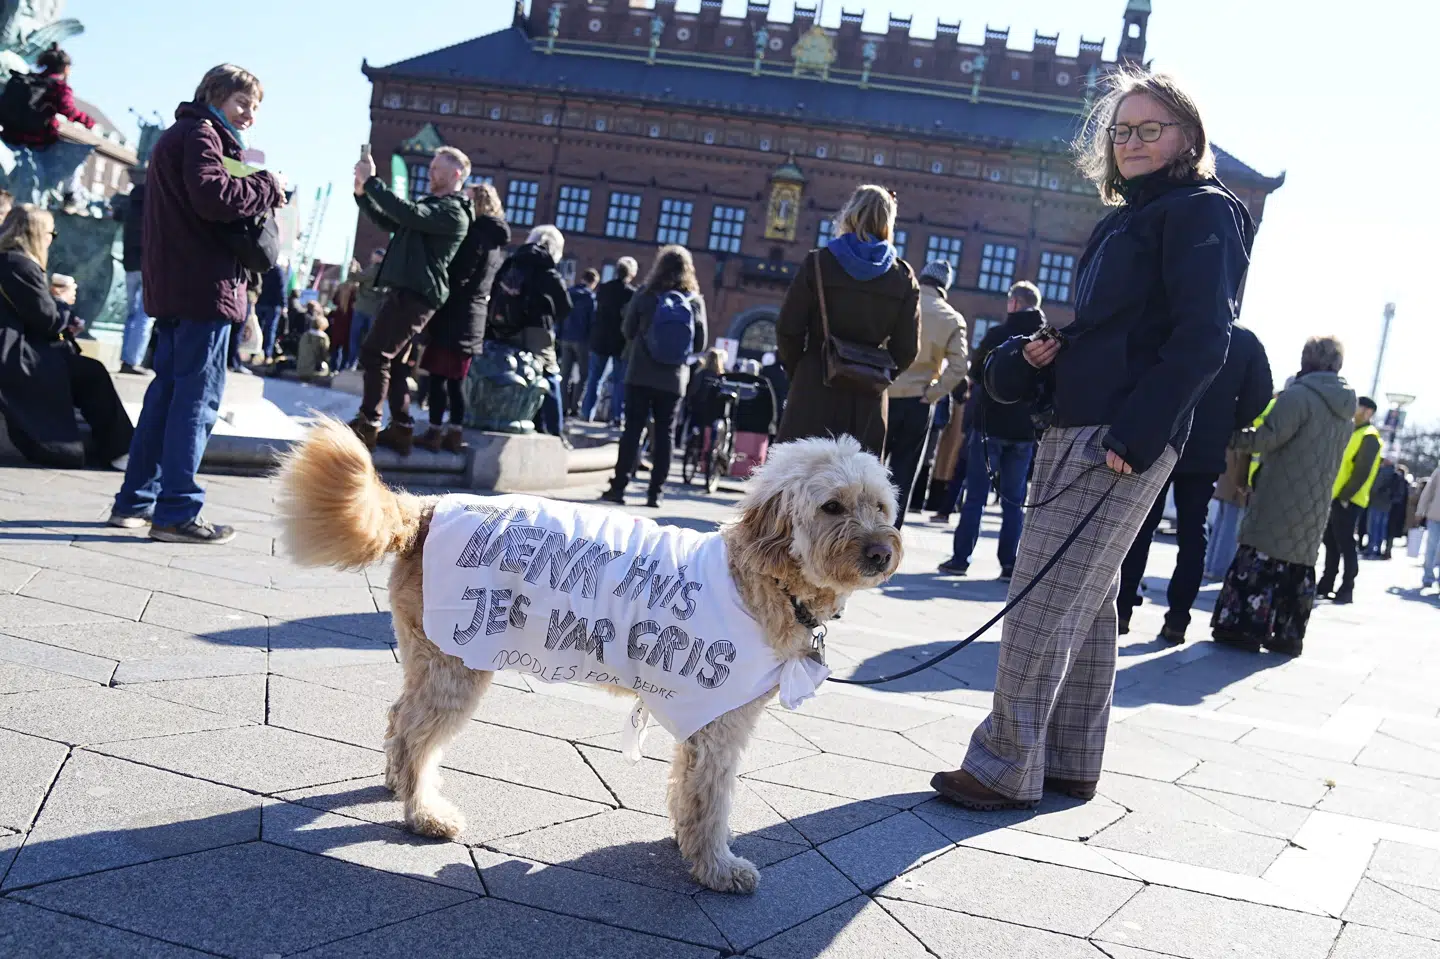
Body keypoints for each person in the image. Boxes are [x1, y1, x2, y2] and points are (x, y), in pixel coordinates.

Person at [931, 68, 1253, 811]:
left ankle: (1004, 762)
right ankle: (1071, 760)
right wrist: (1048, 356)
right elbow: (1124, 334)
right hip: (1084, 424)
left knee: (1040, 597)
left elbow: (1204, 338)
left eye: (1149, 129)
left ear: (1189, 139)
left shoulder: (1203, 210)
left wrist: (1136, 435)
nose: (1132, 142)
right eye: (1121, 130)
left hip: (1114, 436)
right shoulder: (1134, 216)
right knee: (1088, 602)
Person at [109, 64, 286, 544]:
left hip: (177, 287)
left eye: (254, 106)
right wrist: (269, 184)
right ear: (215, 95)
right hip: (204, 289)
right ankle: (177, 511)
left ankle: (134, 502)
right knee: (196, 402)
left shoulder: (181, 134)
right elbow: (213, 197)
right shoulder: (204, 136)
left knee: (165, 397)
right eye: (242, 102)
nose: (249, 113)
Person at [1115, 321, 1272, 640]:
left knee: (1141, 524)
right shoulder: (1245, 342)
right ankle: (1178, 618)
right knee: (1193, 532)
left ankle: (1122, 610)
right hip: (1206, 445)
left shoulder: (1180, 320)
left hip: (1162, 434)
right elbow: (1259, 396)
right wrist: (1231, 420)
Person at [1210, 337, 1356, 655]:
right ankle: (1288, 635)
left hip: (1280, 496)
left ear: (1308, 359)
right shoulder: (1346, 409)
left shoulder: (1299, 396)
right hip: (1316, 504)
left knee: (1262, 556)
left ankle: (1244, 629)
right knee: (1298, 563)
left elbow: (1266, 439)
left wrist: (1229, 434)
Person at [774, 184, 921, 457]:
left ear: (850, 214)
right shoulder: (902, 277)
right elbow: (907, 349)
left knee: (797, 482)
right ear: (888, 222)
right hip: (867, 399)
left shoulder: (819, 263)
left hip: (814, 387)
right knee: (856, 489)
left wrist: (803, 370)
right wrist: (876, 374)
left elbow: (788, 329)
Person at [347, 145, 473, 454]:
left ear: (456, 174)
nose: (430, 173)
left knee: (375, 354)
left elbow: (409, 214)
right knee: (397, 363)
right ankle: (401, 428)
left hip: (415, 295)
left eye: (436, 169)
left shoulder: (453, 212)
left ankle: (368, 424)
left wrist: (374, 182)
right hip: (411, 293)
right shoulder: (436, 208)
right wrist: (363, 194)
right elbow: (395, 222)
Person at [0, 205, 132, 467]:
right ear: (36, 234)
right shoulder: (21, 265)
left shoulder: (8, 261)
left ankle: (118, 448)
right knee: (92, 374)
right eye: (52, 233)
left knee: (85, 372)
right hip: (17, 356)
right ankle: (121, 451)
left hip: (16, 348)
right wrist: (62, 302)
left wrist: (63, 319)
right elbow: (47, 321)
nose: (52, 239)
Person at [939, 281, 1046, 578]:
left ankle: (961, 559)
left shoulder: (997, 336)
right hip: (1025, 433)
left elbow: (975, 373)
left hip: (991, 428)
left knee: (975, 497)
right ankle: (1010, 564)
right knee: (1014, 502)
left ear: (1014, 303)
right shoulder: (1047, 341)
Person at [600, 244, 708, 507]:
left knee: (632, 430)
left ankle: (619, 487)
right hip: (673, 379)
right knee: (665, 434)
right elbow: (700, 344)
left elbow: (627, 330)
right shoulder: (694, 301)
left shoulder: (646, 294)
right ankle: (654, 493)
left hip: (640, 373)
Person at [416, 182, 510, 454]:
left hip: (455, 315)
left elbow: (459, 276)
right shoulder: (495, 240)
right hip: (473, 318)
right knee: (456, 381)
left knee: (437, 379)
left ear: (478, 204)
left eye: (468, 201)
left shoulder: (475, 236)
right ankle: (454, 433)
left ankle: (435, 431)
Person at [883, 259, 967, 528]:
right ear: (946, 286)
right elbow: (959, 367)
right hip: (918, 401)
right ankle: (890, 535)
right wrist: (933, 393)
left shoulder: (899, 301)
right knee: (904, 473)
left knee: (868, 466)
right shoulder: (952, 318)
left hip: (883, 393)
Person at [485, 224, 571, 439]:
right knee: (549, 375)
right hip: (536, 331)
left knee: (510, 375)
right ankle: (554, 432)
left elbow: (494, 289)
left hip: (504, 327)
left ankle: (505, 419)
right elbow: (565, 306)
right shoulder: (547, 270)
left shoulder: (512, 261)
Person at [0, 45, 96, 207]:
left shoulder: (25, 80)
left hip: (10, 136)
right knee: (74, 159)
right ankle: (70, 196)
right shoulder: (58, 87)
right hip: (41, 141)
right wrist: (88, 121)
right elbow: (68, 110)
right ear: (65, 68)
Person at [1316, 396, 1382, 604]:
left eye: (1359, 407)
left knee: (1345, 544)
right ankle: (1326, 583)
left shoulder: (1369, 436)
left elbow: (1361, 472)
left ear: (1368, 412)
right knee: (1331, 542)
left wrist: (1344, 496)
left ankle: (1347, 587)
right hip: (1336, 496)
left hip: (1349, 499)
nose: (1354, 409)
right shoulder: (1352, 431)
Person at [583, 256, 638, 424]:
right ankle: (616, 416)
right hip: (619, 342)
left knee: (594, 378)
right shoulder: (631, 294)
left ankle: (587, 412)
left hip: (599, 339)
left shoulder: (604, 289)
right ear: (631, 274)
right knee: (619, 381)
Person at [112, 174, 151, 374]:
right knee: (145, 315)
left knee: (130, 314)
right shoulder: (155, 205)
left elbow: (116, 216)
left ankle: (125, 359)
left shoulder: (130, 203)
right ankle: (133, 359)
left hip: (130, 263)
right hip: (149, 264)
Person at [560, 269, 598, 416]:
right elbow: (592, 321)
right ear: (593, 282)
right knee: (583, 375)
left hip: (566, 337)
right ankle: (575, 406)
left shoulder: (569, 292)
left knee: (565, 374)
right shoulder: (590, 298)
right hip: (582, 340)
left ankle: (563, 406)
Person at [349, 247, 385, 367]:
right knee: (370, 339)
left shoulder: (374, 269)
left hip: (363, 308)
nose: (371, 257)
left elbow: (357, 277)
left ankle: (352, 364)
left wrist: (353, 269)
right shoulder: (386, 272)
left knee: (355, 338)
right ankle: (366, 365)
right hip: (375, 310)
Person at [256, 260, 288, 362]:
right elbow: (282, 289)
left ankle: (255, 353)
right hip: (273, 305)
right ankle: (267, 355)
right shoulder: (278, 271)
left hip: (260, 301)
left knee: (258, 329)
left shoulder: (262, 268)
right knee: (270, 330)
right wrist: (284, 305)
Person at [1417, 466, 1440, 590]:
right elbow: (1428, 491)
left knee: (1434, 548)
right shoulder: (1438, 471)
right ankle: (1428, 576)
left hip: (1434, 515)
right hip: (1435, 516)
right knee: (1431, 547)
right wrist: (1420, 511)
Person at [295, 307, 330, 380]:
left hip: (300, 369)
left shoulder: (305, 335)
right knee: (326, 368)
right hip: (313, 370)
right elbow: (324, 354)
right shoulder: (323, 338)